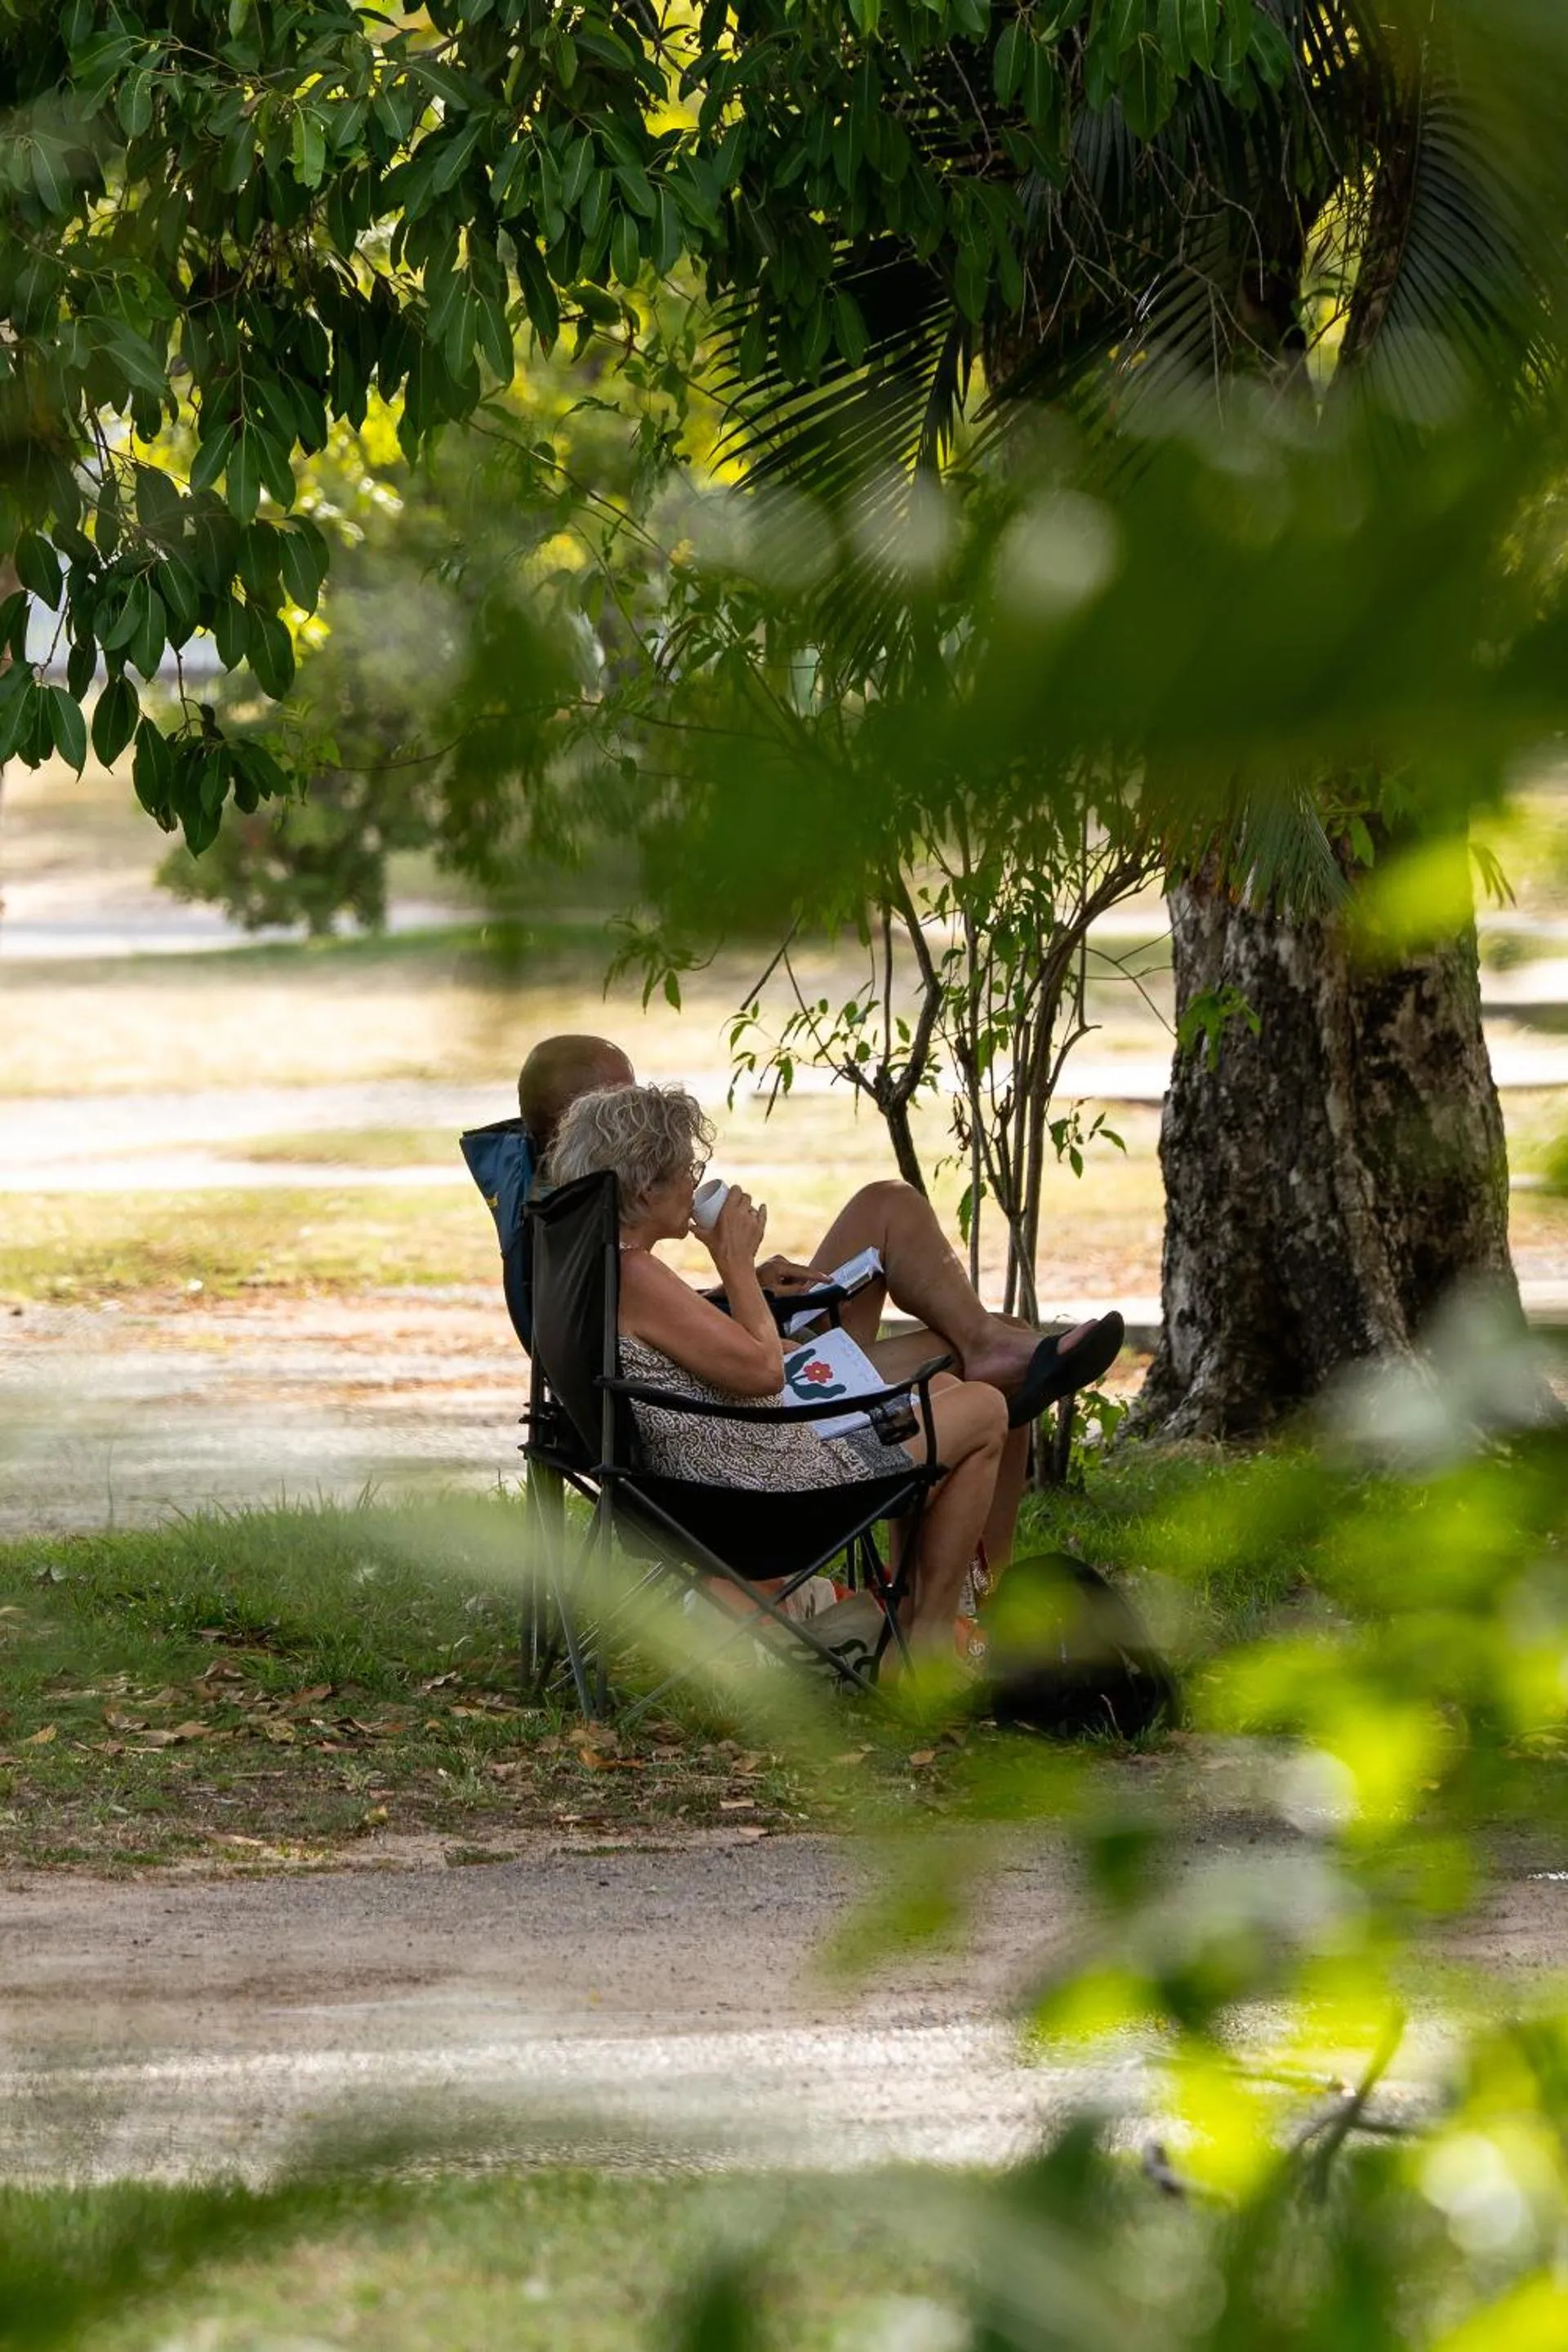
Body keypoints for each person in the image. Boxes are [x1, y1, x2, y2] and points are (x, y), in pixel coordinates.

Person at [512, 1032, 1124, 1569]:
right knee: (976, 1394)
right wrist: (738, 1275)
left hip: (738, 1379)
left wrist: (731, 1288)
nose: (642, 1108)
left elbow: (638, 1334)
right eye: (627, 1100)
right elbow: (710, 1360)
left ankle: (991, 1357)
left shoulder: (570, 1226)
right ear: (591, 1124)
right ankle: (956, 1612)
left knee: (898, 1224)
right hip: (755, 1429)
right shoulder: (605, 1248)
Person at [545, 1082, 1013, 1668]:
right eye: (687, 1167)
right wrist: (736, 1262)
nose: (696, 1181)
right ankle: (928, 1644)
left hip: (701, 1478)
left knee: (943, 1393)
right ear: (645, 1188)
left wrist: (739, 1289)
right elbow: (765, 1372)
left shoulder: (592, 1269)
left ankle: (911, 1616)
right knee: (985, 1409)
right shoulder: (635, 1274)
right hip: (761, 1494)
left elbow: (684, 1349)